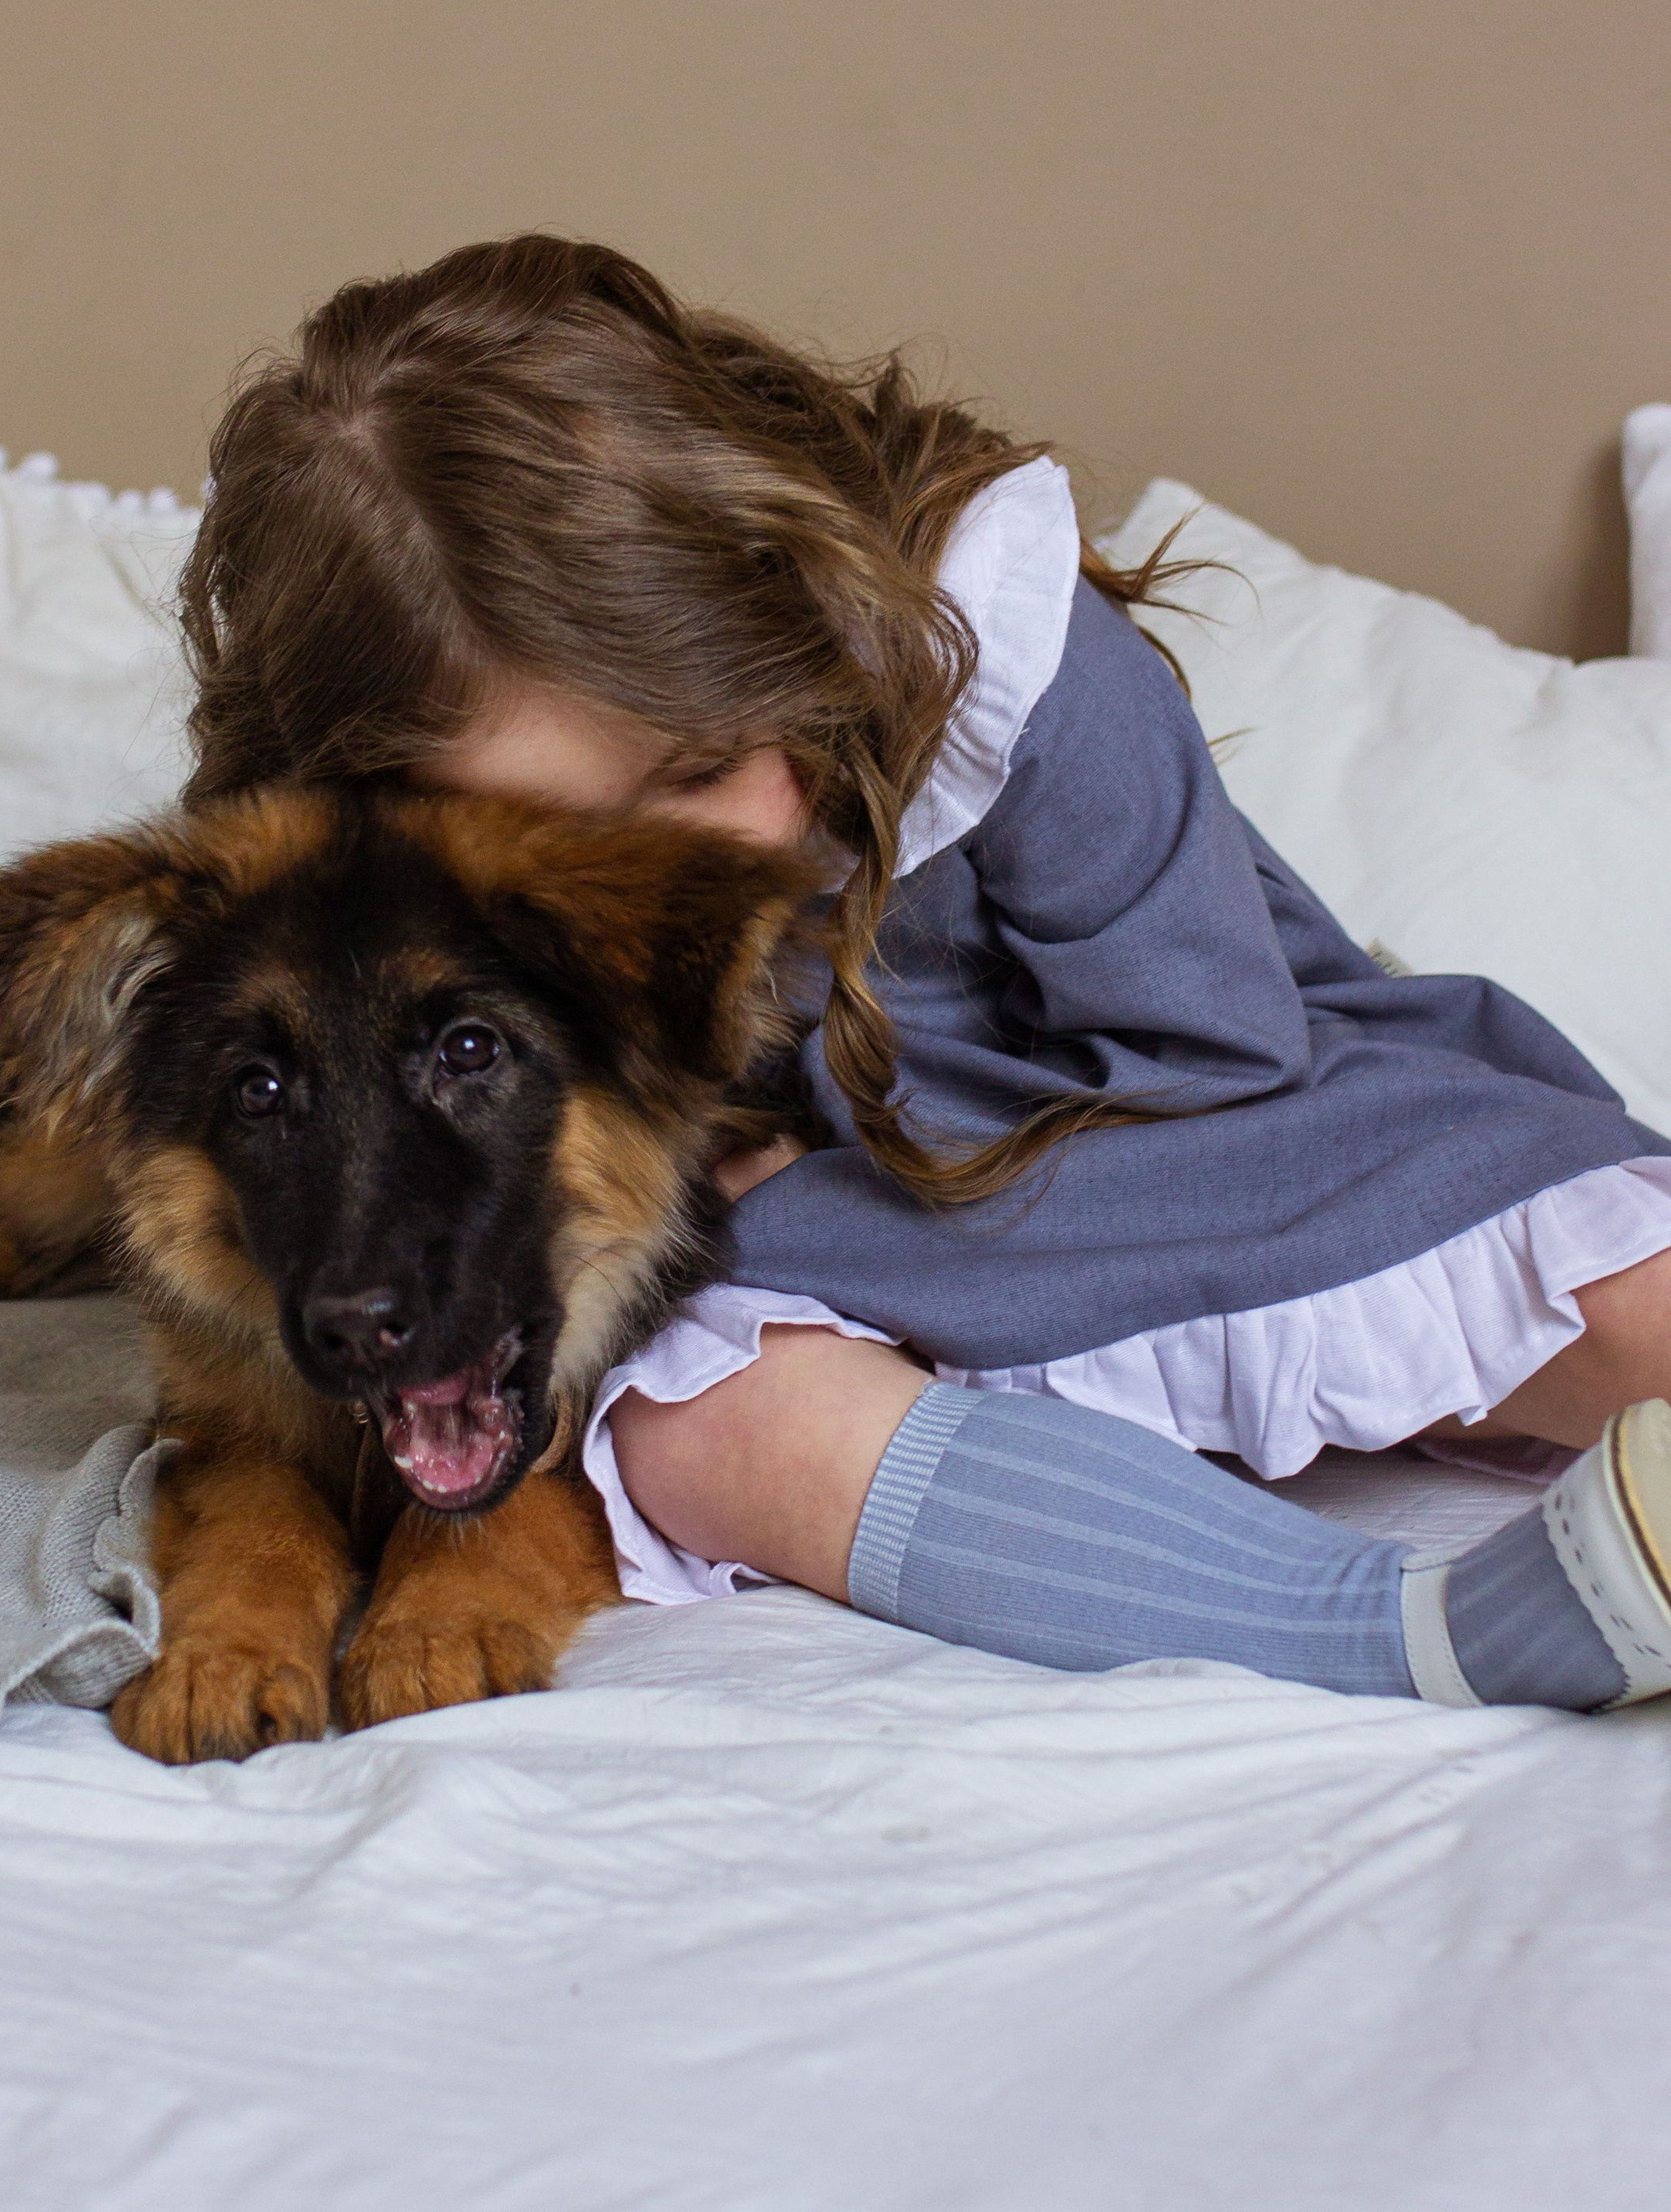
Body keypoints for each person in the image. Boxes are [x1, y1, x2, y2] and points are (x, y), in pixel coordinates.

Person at [177, 233, 1671, 1713]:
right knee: (699, 1420)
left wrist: (801, 1219)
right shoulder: (411, 921)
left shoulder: (997, 653)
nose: (669, 871)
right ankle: (1411, 1627)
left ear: (776, 620)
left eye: (701, 767)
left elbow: (1213, 1063)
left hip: (1230, 1138)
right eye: (555, 833)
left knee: (1593, 1279)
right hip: (866, 1274)